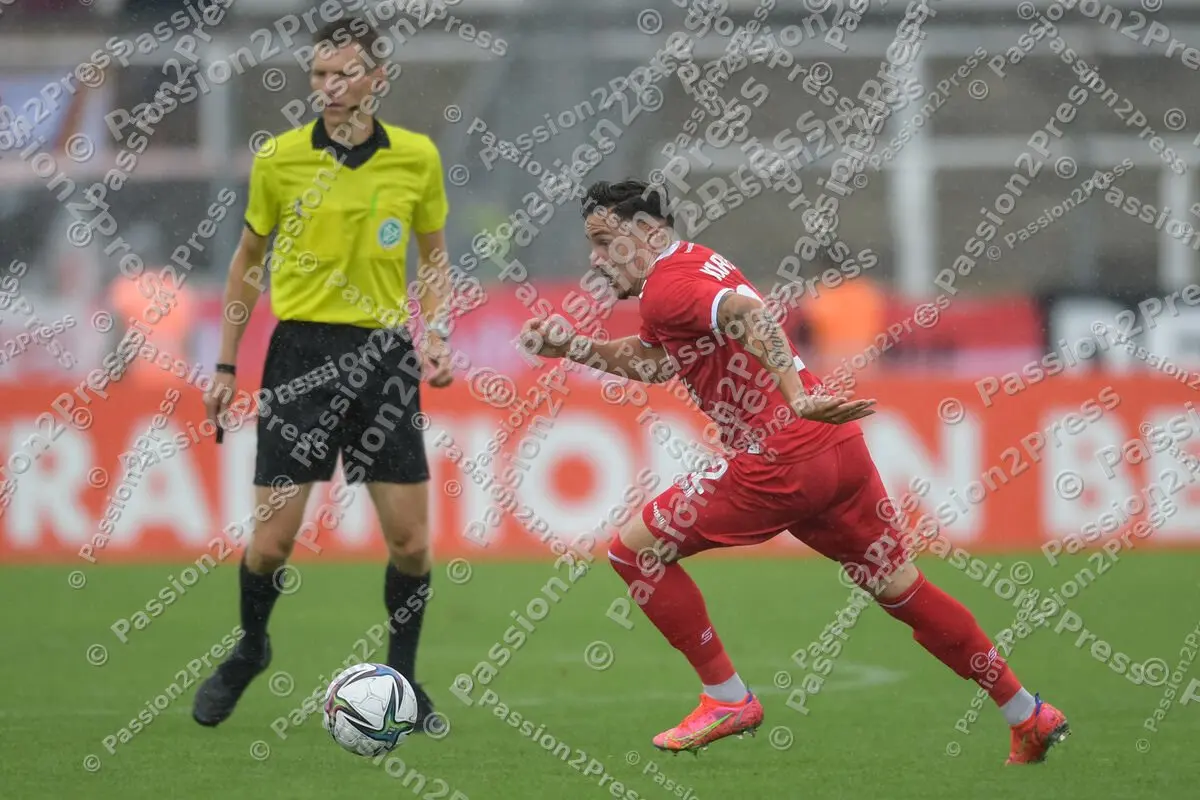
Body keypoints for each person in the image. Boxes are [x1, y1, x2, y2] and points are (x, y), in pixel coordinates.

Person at [521, 179, 1069, 765]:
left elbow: (751, 316)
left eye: (605, 242)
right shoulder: (692, 267)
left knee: (634, 553)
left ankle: (727, 698)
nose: (596, 259)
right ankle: (1026, 714)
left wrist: (791, 395)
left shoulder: (667, 286)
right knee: (902, 588)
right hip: (838, 449)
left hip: (779, 455)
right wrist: (575, 348)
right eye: (593, 245)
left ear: (648, 232)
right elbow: (657, 363)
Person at [193, 17, 455, 733]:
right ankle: (251, 648)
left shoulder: (415, 158)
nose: (328, 88)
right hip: (300, 355)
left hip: (384, 356)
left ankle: (401, 681)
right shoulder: (279, 159)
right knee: (273, 542)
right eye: (317, 75)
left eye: (342, 74)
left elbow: (432, 259)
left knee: (410, 543)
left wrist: (437, 338)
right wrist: (224, 363)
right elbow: (247, 262)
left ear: (378, 79)